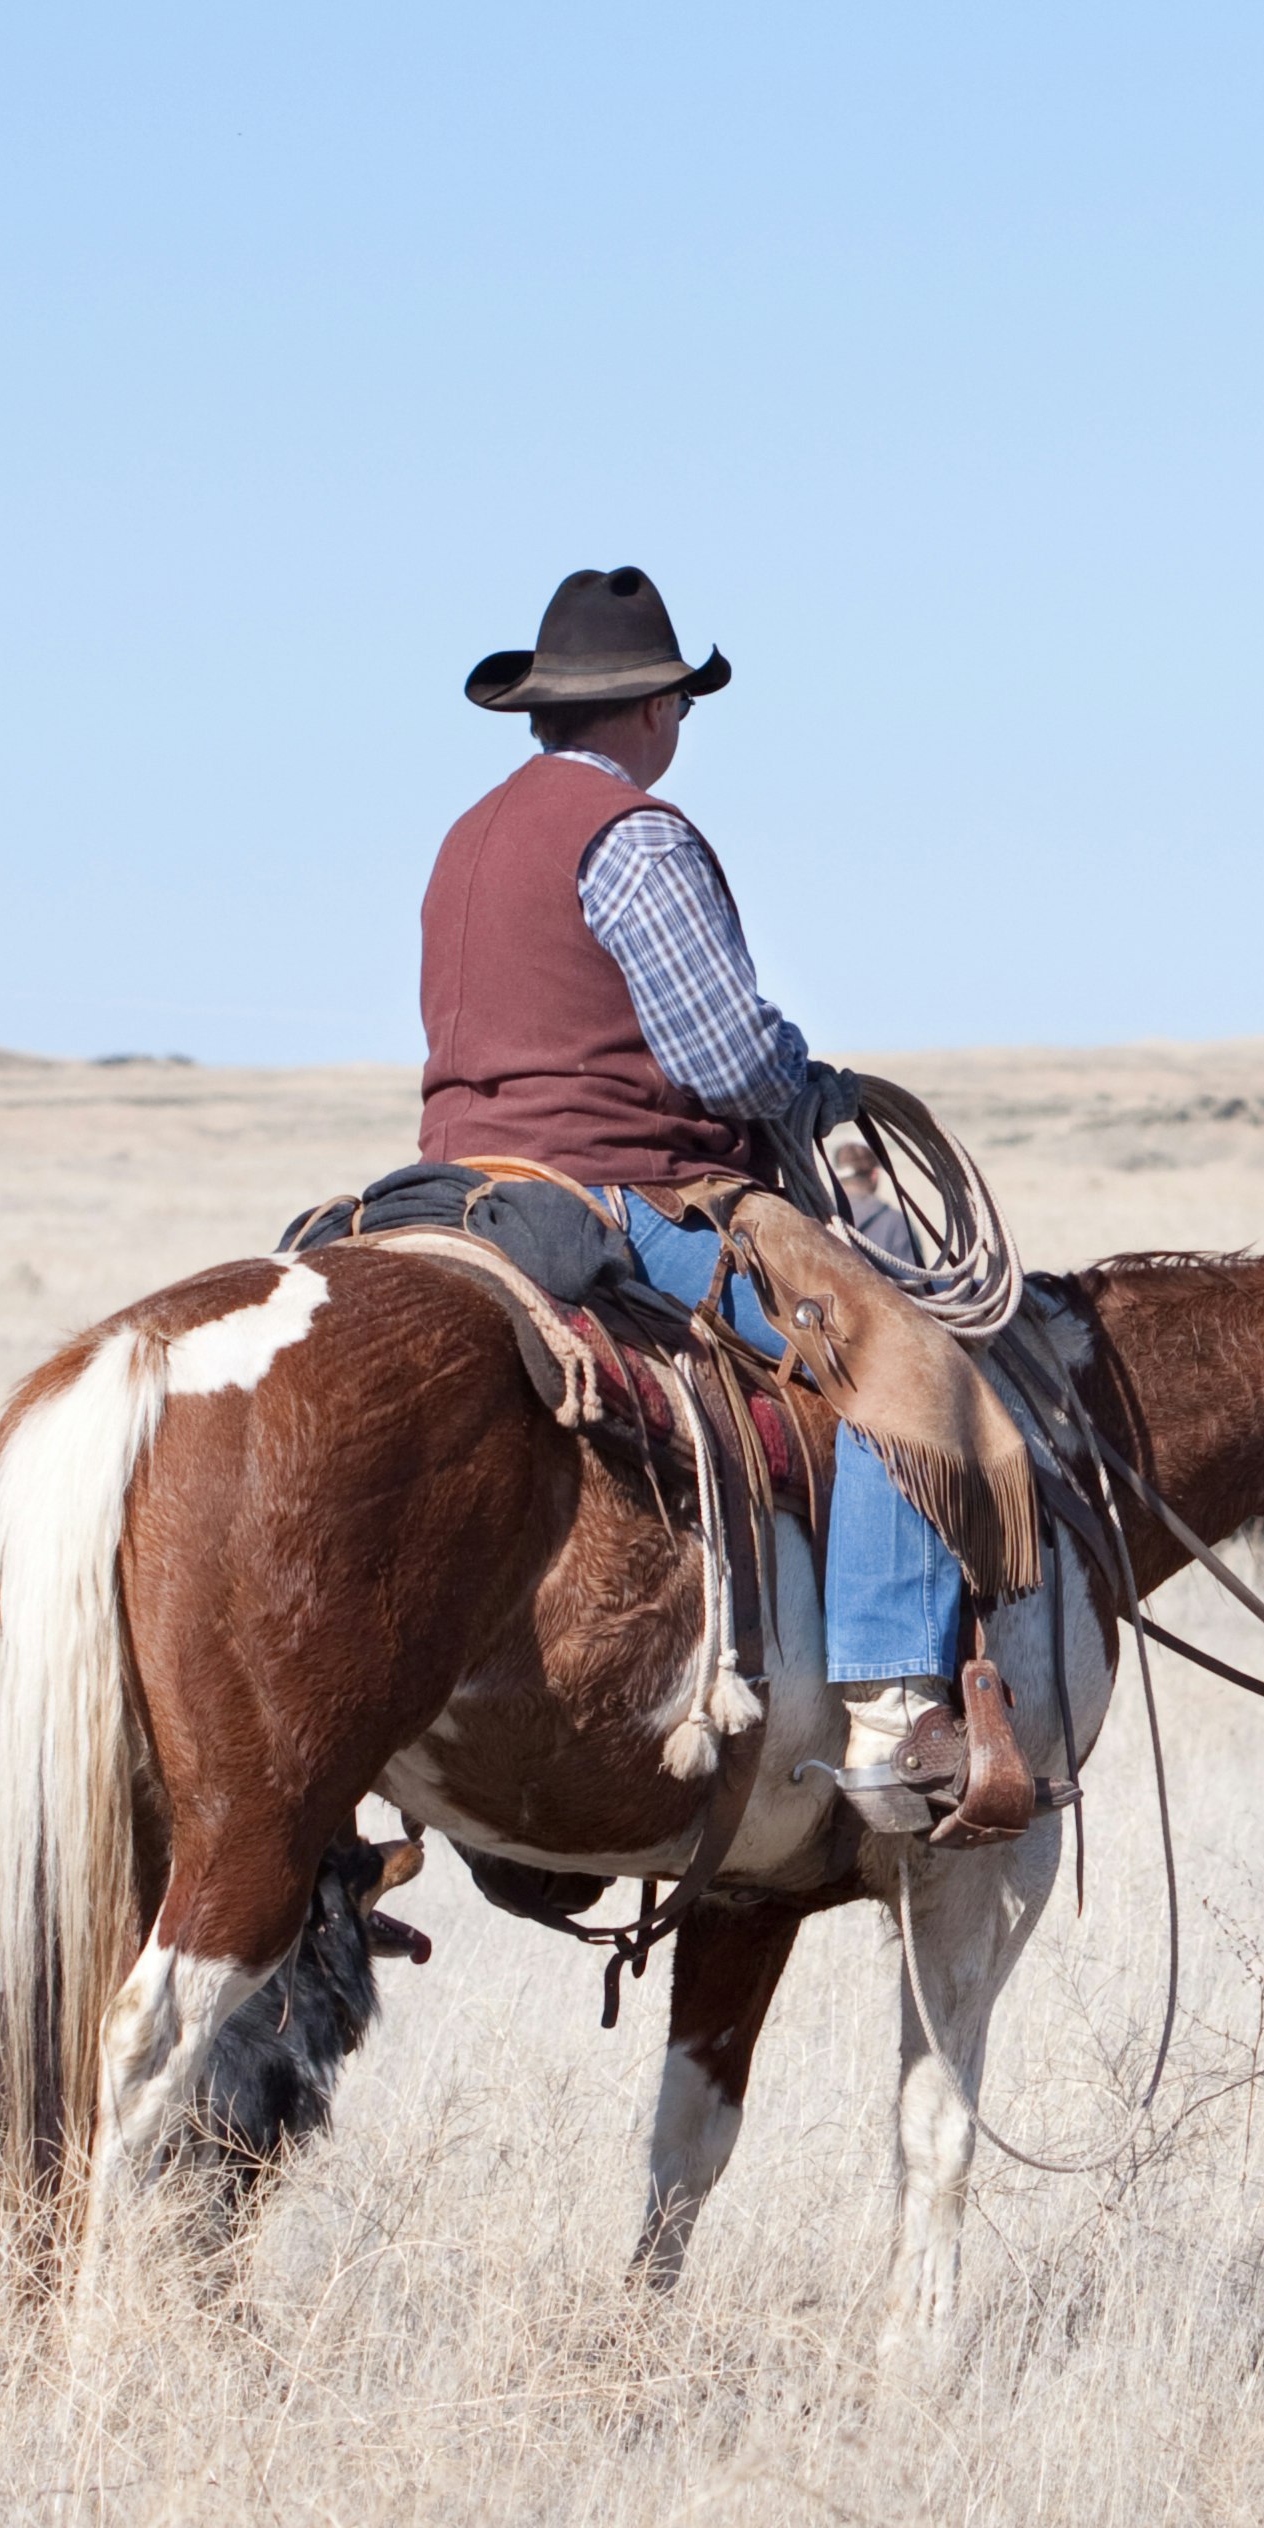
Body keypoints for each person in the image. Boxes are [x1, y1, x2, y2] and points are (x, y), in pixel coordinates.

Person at [416, 566, 988, 1831]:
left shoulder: (468, 836)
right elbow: (723, 1056)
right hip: (616, 1192)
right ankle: (895, 1705)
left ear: (543, 711)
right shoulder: (634, 836)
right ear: (656, 710)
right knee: (893, 1354)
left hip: (448, 1193)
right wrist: (810, 1083)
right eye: (679, 705)